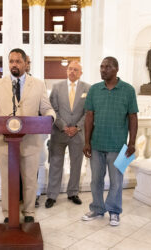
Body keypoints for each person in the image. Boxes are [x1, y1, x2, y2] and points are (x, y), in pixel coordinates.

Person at [0, 48, 56, 223]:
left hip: (30, 142)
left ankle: (29, 212)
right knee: (7, 181)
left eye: (17, 61)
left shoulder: (38, 84)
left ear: (25, 63)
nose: (14, 64)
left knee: (29, 180)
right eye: (11, 61)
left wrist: (51, 117)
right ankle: (8, 213)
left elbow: (46, 107)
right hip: (5, 143)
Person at [82, 57, 138, 226]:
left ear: (116, 69)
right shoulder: (94, 90)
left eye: (107, 67)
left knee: (116, 181)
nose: (103, 69)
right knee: (95, 180)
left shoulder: (128, 90)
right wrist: (87, 142)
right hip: (97, 144)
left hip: (118, 146)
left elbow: (133, 117)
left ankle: (114, 211)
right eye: (101, 66)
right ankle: (97, 209)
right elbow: (89, 117)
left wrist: (132, 142)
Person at [45, 61, 90, 208]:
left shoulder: (87, 89)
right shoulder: (57, 87)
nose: (72, 72)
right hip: (59, 132)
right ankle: (52, 195)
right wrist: (64, 126)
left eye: (76, 70)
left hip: (78, 134)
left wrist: (77, 127)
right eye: (70, 69)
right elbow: (53, 109)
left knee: (76, 164)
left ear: (80, 73)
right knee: (55, 163)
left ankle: (73, 192)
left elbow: (88, 112)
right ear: (67, 71)